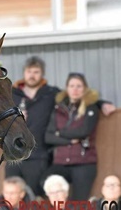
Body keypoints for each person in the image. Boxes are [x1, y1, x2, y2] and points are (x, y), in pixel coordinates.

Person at [5, 56, 116, 197]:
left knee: (35, 198)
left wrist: (102, 103)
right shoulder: (12, 93)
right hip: (13, 153)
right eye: (29, 71)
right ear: (24, 72)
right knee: (10, 195)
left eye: (36, 72)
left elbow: (77, 96)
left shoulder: (52, 93)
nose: (32, 75)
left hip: (39, 154)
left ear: (42, 73)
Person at [42, 72, 100, 201]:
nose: (75, 89)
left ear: (85, 88)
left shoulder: (91, 107)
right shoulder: (59, 109)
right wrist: (70, 140)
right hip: (60, 162)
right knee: (45, 184)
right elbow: (48, 137)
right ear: (66, 88)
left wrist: (60, 133)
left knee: (79, 203)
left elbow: (84, 131)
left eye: (79, 86)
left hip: (83, 162)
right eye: (72, 85)